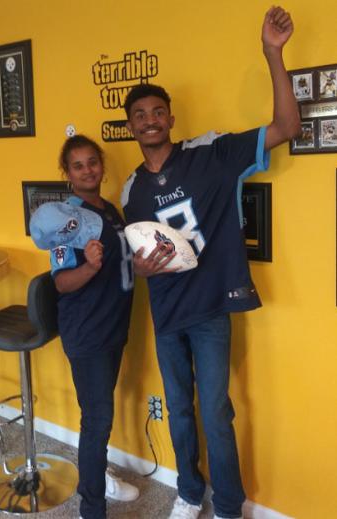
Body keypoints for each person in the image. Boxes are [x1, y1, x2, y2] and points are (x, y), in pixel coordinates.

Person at [121, 7, 300, 519]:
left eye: (158, 112)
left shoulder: (212, 153)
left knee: (216, 413)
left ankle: (226, 504)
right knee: (179, 410)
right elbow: (135, 262)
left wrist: (272, 53)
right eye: (140, 115)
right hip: (166, 311)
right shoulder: (130, 188)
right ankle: (188, 491)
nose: (150, 120)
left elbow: (287, 125)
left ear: (171, 118)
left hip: (209, 310)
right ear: (130, 125)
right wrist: (141, 271)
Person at [30, 134, 138, 519]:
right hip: (88, 331)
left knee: (99, 415)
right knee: (97, 419)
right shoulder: (66, 218)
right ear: (68, 172)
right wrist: (89, 266)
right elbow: (61, 283)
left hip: (113, 326)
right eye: (78, 165)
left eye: (93, 162)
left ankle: (97, 475)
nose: (88, 169)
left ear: (101, 166)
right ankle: (91, 507)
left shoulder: (109, 210)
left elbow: (125, 262)